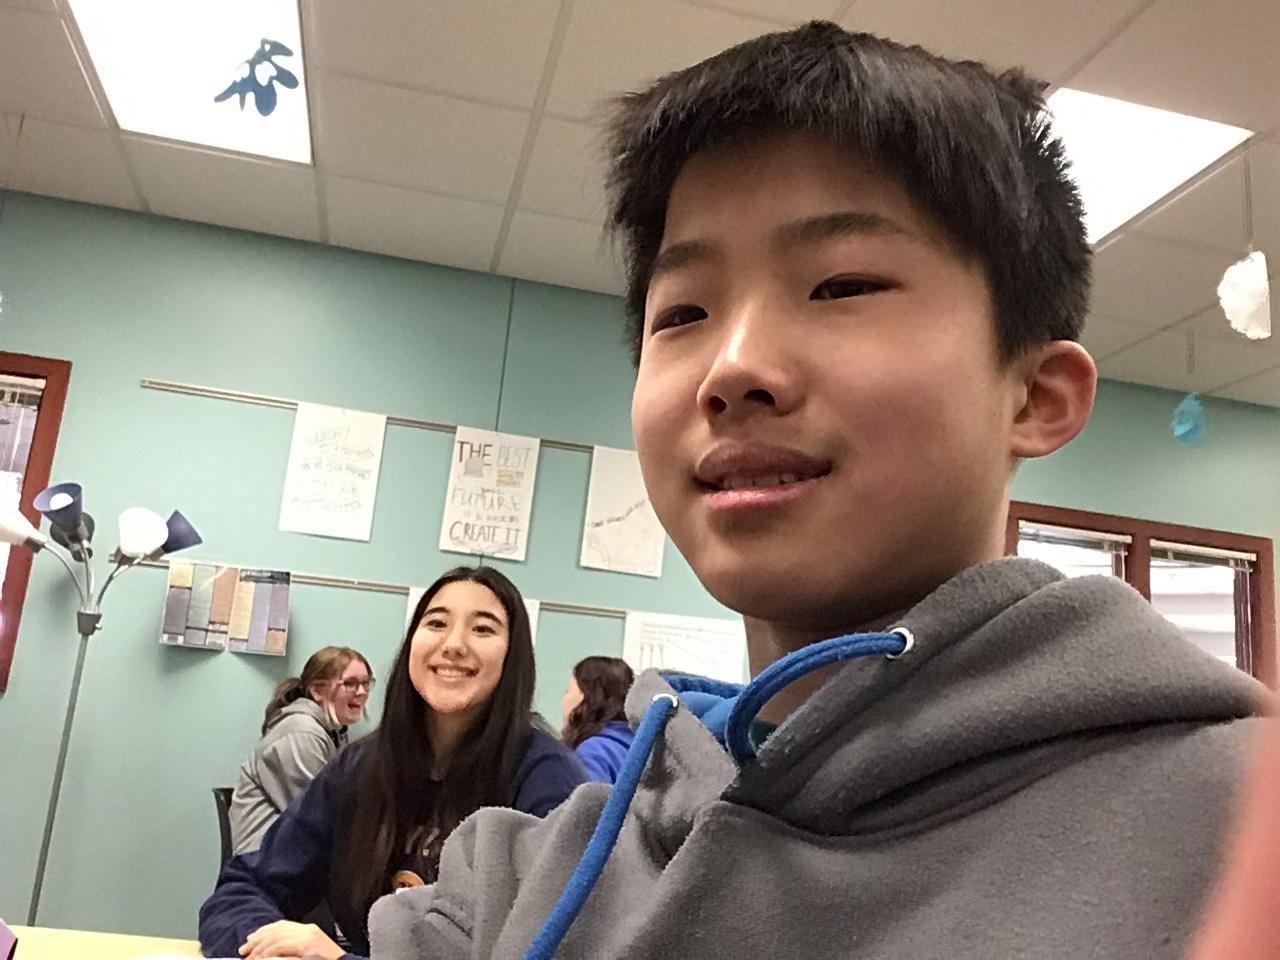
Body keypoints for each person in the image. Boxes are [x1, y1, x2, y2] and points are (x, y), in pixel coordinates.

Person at [366, 22, 1268, 960]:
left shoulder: (1238, 833)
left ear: (1036, 396)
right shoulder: (519, 885)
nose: (733, 367)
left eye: (842, 287)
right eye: (683, 312)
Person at [198, 565, 588, 960]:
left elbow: (562, 947)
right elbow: (243, 890)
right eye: (436, 623)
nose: (453, 644)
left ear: (513, 656)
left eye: (483, 628)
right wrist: (266, 947)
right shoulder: (360, 766)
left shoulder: (548, 779)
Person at [229, 645, 374, 855]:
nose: (361, 692)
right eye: (350, 684)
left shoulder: (330, 733)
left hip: (289, 856)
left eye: (366, 683)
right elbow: (320, 816)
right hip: (265, 863)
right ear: (317, 691)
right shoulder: (301, 734)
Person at [560, 656, 635, 783]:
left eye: (568, 691)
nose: (564, 699)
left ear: (586, 698)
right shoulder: (641, 745)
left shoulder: (592, 752)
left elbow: (589, 796)